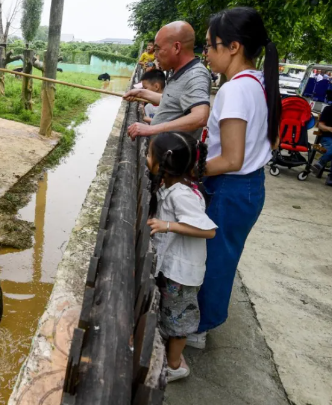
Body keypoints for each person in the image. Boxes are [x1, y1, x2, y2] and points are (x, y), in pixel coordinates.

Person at [187, 7, 281, 349]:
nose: (207, 54)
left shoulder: (235, 90)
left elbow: (231, 158)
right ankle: (203, 321)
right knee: (224, 255)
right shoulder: (260, 83)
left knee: (214, 260)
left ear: (233, 47)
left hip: (231, 188)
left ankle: (197, 328)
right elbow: (266, 142)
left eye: (211, 46)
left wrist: (189, 170)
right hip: (249, 187)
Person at [146, 132, 217, 382]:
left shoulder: (181, 195)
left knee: (178, 320)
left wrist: (167, 225)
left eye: (148, 154)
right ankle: (172, 356)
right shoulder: (176, 186)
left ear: (163, 162)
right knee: (173, 314)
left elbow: (208, 230)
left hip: (182, 273)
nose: (146, 157)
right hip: (174, 267)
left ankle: (175, 365)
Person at [125, 22, 211, 140]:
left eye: (158, 49)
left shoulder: (195, 74)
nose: (155, 55)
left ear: (176, 48)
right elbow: (172, 101)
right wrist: (141, 93)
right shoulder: (180, 72)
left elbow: (200, 117)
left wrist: (151, 129)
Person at [312, 105, 332, 186]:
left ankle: (320, 163)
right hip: (327, 138)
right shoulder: (329, 109)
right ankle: (331, 177)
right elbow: (320, 125)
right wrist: (329, 129)